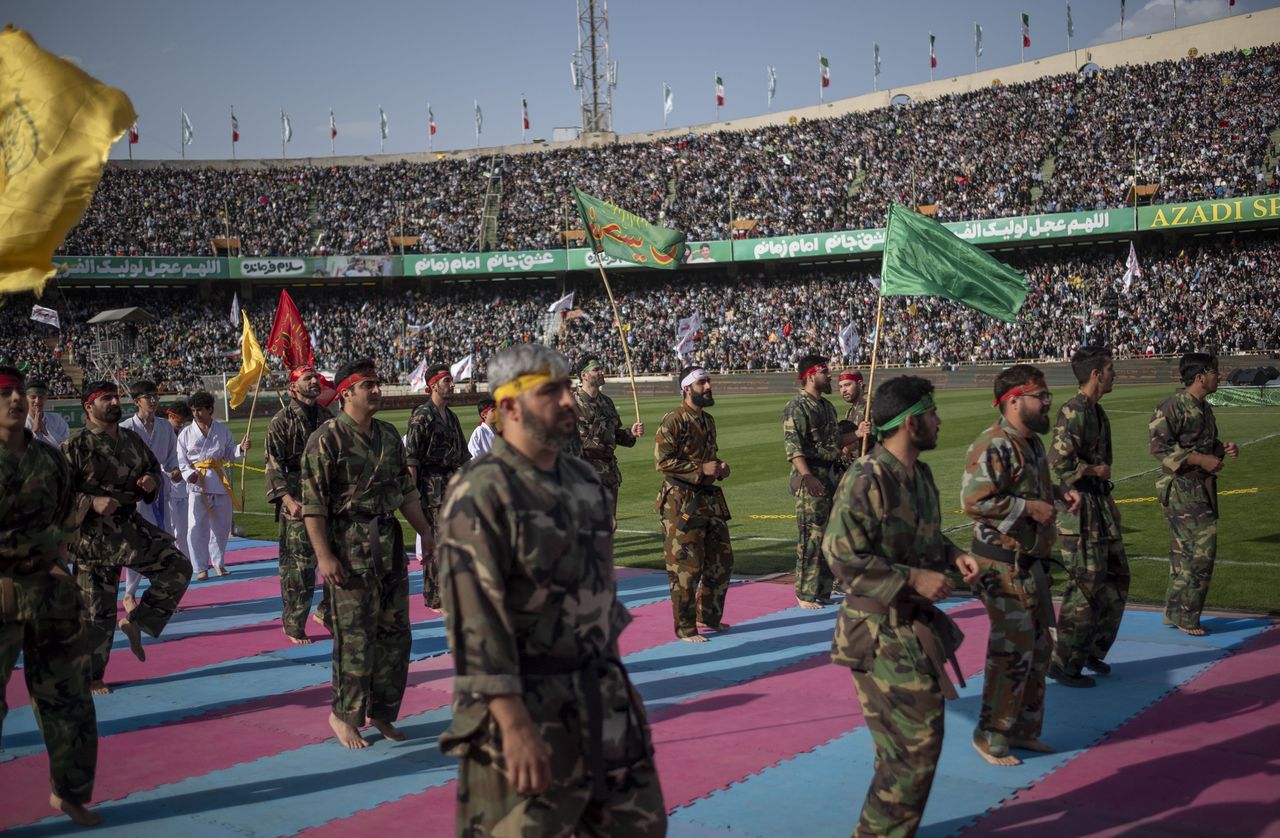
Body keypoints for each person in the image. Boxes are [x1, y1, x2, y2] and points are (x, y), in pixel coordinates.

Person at [437, 344, 666, 836]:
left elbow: (600, 601)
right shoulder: (481, 493)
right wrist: (514, 726)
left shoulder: (583, 481)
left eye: (567, 388)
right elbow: (474, 625)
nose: (567, 401)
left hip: (600, 696)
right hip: (524, 708)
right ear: (510, 408)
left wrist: (620, 686)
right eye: (550, 391)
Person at [823, 375, 980, 838]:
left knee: (903, 748)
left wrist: (953, 555)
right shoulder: (867, 477)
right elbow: (840, 557)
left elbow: (923, 534)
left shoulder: (920, 475)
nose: (939, 421)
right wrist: (912, 577)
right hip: (878, 631)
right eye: (932, 413)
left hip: (910, 630)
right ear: (911, 422)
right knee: (916, 746)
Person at [301, 358, 433, 749]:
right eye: (368, 385)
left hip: (387, 542)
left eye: (377, 384)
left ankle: (383, 712)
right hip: (347, 543)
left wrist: (427, 532)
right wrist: (324, 557)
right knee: (355, 636)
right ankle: (344, 715)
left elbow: (406, 492)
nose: (377, 390)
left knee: (395, 634)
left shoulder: (389, 435)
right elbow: (314, 506)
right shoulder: (326, 439)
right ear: (346, 394)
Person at [961, 364, 1079, 766]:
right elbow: (974, 501)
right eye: (1040, 396)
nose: (1048, 402)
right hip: (1000, 565)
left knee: (1040, 648)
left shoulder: (1028, 443)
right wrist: (1030, 507)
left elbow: (1027, 486)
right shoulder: (994, 443)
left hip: (1029, 564)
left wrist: (1058, 492)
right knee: (1012, 650)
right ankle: (990, 734)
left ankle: (1023, 729)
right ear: (1014, 401)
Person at [0, 366, 102, 827]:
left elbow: (68, 518)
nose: (16, 400)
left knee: (68, 699)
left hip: (48, 592)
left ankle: (70, 791)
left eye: (19, 392)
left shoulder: (49, 459)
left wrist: (58, 561)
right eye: (5, 394)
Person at [62, 381, 193, 695]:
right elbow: (57, 494)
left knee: (177, 567)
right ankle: (92, 677)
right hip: (92, 539)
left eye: (115, 396)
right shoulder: (74, 445)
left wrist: (151, 481)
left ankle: (137, 621)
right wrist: (90, 503)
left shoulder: (131, 439)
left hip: (129, 527)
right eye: (105, 398)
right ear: (88, 407)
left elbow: (151, 468)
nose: (113, 401)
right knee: (96, 616)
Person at [1049, 347, 1129, 686]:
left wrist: (1109, 500)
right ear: (1096, 373)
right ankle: (1065, 662)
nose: (1115, 374)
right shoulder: (1074, 411)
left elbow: (1100, 471)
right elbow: (1057, 466)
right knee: (1084, 585)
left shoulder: (1099, 413)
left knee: (1116, 576)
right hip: (1077, 512)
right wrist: (1094, 470)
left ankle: (1092, 649)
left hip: (1098, 506)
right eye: (1110, 369)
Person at [1149, 352, 1238, 636]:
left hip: (1200, 487)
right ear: (1200, 376)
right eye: (1215, 372)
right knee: (1200, 553)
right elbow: (1159, 449)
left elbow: (1207, 444)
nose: (1219, 376)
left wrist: (1222, 449)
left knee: (1183, 553)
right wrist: (1201, 461)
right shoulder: (1172, 406)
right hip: (1182, 487)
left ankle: (1174, 613)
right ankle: (1186, 617)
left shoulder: (1204, 408)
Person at [654, 365, 734, 642]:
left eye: (709, 381)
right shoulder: (673, 420)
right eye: (702, 383)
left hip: (708, 500)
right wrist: (702, 468)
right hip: (680, 502)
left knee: (722, 559)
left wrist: (720, 467)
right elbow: (663, 462)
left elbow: (709, 456)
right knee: (685, 568)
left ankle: (708, 616)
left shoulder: (708, 420)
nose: (708, 386)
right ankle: (686, 627)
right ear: (687, 388)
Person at [265, 365, 331, 644]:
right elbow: (273, 463)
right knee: (299, 569)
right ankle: (293, 625)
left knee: (337, 559)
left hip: (325, 498)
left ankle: (327, 612)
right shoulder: (282, 420)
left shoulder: (328, 417)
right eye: (308, 378)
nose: (315, 381)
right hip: (297, 500)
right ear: (294, 387)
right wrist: (287, 500)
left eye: (316, 377)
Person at [405, 363, 470, 610]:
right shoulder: (422, 415)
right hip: (431, 489)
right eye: (447, 381)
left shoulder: (451, 417)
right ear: (433, 385)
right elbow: (412, 458)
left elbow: (464, 456)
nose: (452, 385)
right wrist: (412, 494)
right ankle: (434, 597)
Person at [783, 354, 841, 609]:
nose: (829, 376)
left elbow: (834, 442)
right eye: (824, 371)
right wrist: (807, 476)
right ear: (809, 376)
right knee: (811, 535)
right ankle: (805, 593)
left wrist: (857, 434)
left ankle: (824, 589)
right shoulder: (797, 406)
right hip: (812, 475)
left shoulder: (828, 406)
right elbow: (793, 447)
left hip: (830, 474)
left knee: (829, 535)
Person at [120, 380, 180, 614]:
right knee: (139, 542)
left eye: (155, 396)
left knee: (164, 542)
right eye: (148, 397)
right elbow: (122, 462)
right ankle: (129, 594)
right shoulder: (127, 428)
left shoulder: (165, 427)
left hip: (161, 491)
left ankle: (161, 593)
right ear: (137, 402)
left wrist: (175, 470)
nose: (153, 400)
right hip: (136, 493)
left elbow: (172, 457)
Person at [178, 390, 249, 581]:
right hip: (197, 483)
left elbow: (227, 453)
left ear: (210, 409)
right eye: (193, 410)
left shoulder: (222, 430)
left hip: (219, 482)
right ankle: (200, 567)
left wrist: (239, 449)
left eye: (200, 410)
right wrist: (189, 475)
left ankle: (218, 563)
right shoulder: (186, 433)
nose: (196, 414)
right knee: (196, 527)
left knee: (221, 527)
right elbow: (181, 461)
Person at [575, 356, 644, 517]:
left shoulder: (607, 402)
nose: (601, 372)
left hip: (608, 472)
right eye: (596, 369)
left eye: (601, 368)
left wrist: (630, 433)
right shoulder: (570, 403)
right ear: (584, 375)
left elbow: (614, 434)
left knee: (609, 524)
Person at [163, 400, 193, 561]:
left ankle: (186, 561)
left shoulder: (185, 433)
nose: (179, 426)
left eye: (182, 423)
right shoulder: (160, 432)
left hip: (184, 487)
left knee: (185, 529)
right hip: (166, 487)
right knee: (171, 529)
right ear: (170, 416)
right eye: (177, 422)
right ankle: (170, 561)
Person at [838, 370, 872, 452]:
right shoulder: (850, 411)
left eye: (847, 385)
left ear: (859, 384)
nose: (843, 390)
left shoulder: (870, 408)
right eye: (841, 386)